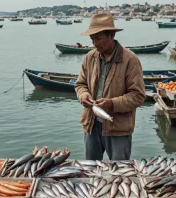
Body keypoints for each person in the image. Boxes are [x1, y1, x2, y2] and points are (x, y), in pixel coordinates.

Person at [75, 13, 145, 161]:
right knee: (91, 171)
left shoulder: (130, 60)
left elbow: (138, 96)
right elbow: (80, 84)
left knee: (120, 172)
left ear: (111, 35)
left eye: (98, 38)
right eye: (92, 39)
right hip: (92, 125)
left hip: (118, 129)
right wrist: (83, 95)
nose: (95, 43)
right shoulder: (89, 57)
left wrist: (112, 104)